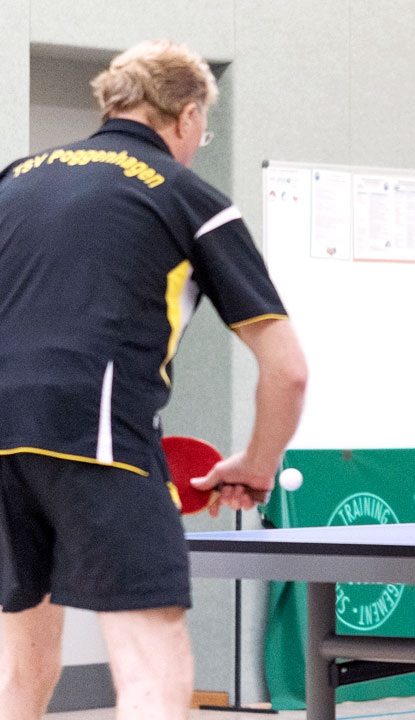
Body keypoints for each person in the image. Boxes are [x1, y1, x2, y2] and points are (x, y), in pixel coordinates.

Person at [0, 40, 307, 719]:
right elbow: (287, 371)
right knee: (153, 665)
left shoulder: (13, 180)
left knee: (22, 667)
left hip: (4, 437)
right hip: (99, 432)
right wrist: (258, 465)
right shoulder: (188, 196)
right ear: (188, 115)